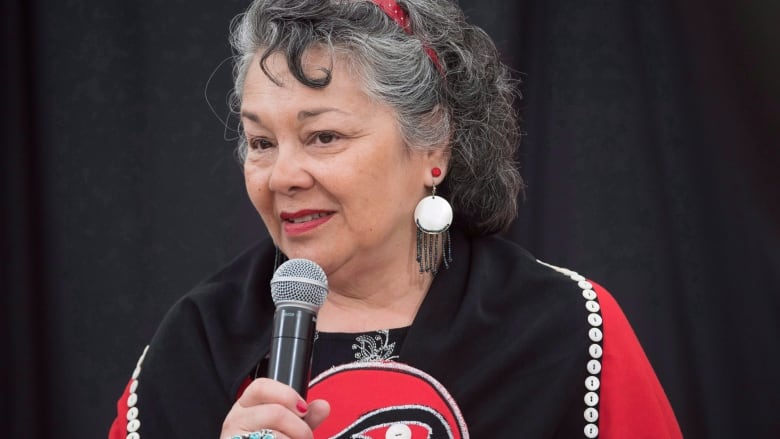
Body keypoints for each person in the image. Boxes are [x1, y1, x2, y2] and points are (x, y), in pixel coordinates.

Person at [109, 0, 682, 437]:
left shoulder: (564, 328)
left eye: (323, 136)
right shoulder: (200, 340)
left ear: (431, 146)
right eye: (261, 142)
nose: (281, 175)